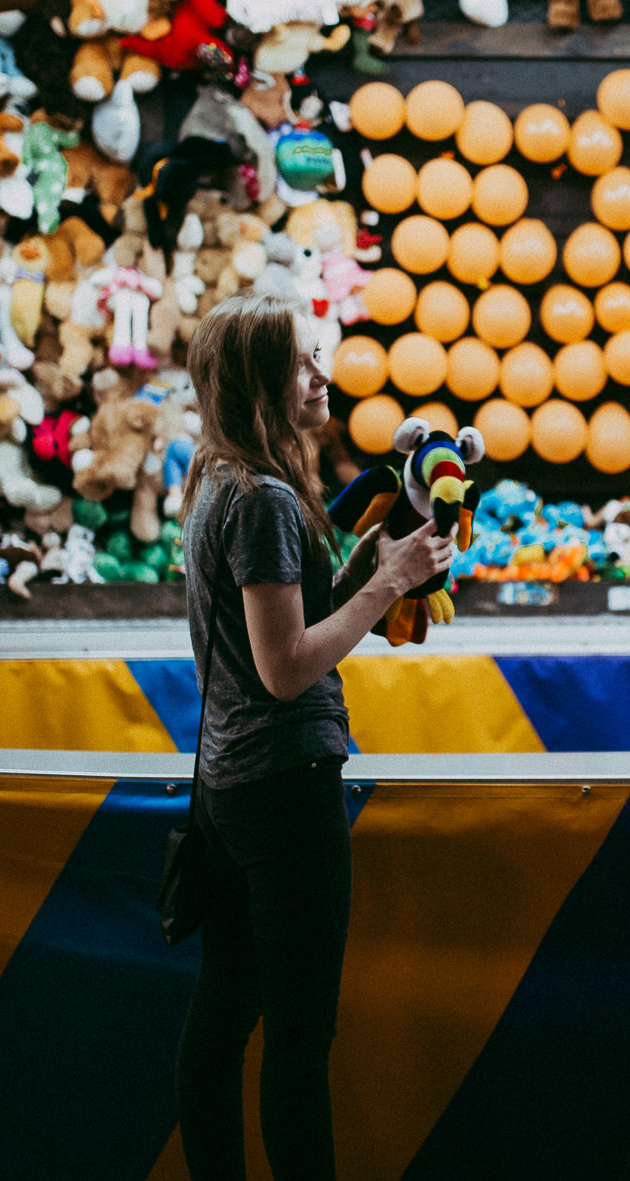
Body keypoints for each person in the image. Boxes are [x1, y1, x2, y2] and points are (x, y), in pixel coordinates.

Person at [174, 290, 451, 1181]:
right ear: (260, 383)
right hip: (282, 789)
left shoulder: (222, 478)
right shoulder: (259, 498)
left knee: (222, 1020)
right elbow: (286, 665)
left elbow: (291, 616)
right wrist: (385, 586)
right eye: (301, 363)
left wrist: (380, 554)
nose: (323, 375)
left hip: (226, 788)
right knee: (298, 1041)